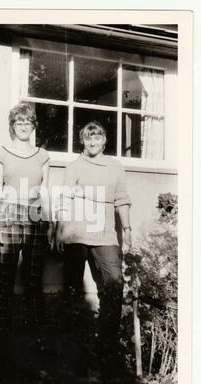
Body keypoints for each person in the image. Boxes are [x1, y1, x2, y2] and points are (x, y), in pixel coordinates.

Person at [56, 121, 132, 367]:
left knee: (114, 283)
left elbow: (122, 199)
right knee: (72, 288)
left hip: (105, 233)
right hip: (76, 233)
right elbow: (65, 198)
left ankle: (106, 345)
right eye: (88, 138)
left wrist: (127, 230)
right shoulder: (74, 166)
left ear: (104, 140)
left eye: (97, 138)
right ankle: (72, 345)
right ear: (82, 140)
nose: (93, 142)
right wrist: (59, 230)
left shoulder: (115, 166)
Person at [0, 103, 53, 330]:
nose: (24, 126)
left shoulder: (42, 155)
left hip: (36, 217)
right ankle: (1, 332)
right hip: (8, 215)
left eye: (28, 122)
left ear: (34, 125)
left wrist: (50, 223)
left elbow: (44, 191)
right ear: (12, 126)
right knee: (6, 276)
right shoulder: (2, 153)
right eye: (19, 122)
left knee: (34, 278)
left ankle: (37, 334)